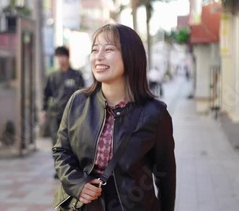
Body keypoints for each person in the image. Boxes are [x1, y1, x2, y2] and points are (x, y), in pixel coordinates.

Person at [53, 24, 176, 211]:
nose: (98, 56)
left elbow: (165, 176)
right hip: (83, 206)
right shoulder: (78, 102)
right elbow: (62, 151)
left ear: (131, 56)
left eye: (108, 49)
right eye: (95, 50)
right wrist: (78, 184)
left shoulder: (155, 113)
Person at [42, 46, 85, 148]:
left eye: (63, 56)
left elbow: (83, 93)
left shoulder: (76, 75)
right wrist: (43, 109)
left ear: (67, 57)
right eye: (58, 57)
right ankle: (59, 163)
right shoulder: (53, 76)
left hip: (73, 113)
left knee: (72, 141)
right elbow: (46, 93)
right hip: (56, 113)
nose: (61, 59)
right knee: (56, 141)